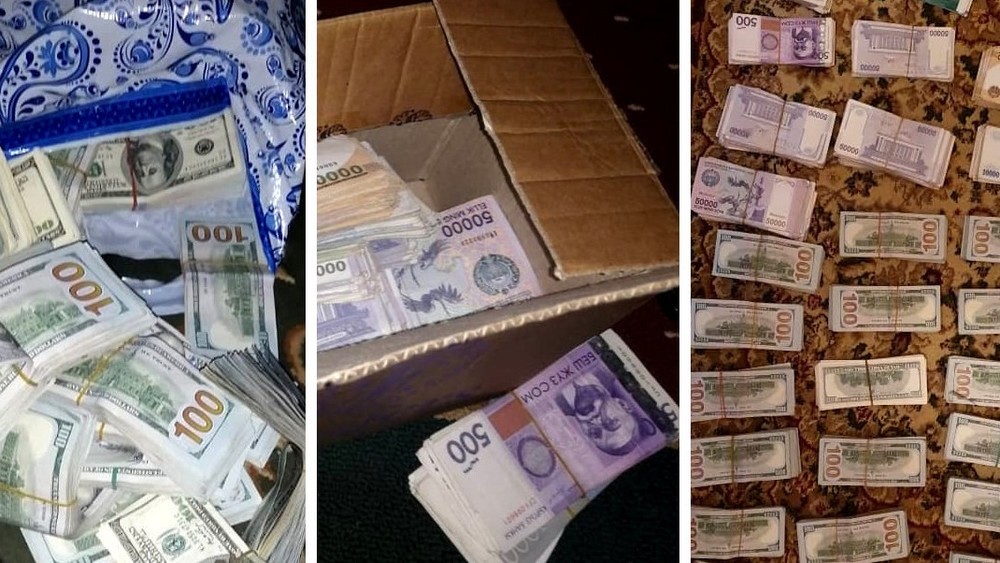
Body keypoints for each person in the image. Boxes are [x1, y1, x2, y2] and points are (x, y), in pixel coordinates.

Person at [555, 371, 658, 457]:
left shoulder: (556, 404)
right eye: (612, 422)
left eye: (596, 433)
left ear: (585, 434)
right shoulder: (605, 370)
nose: (596, 421)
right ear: (621, 404)